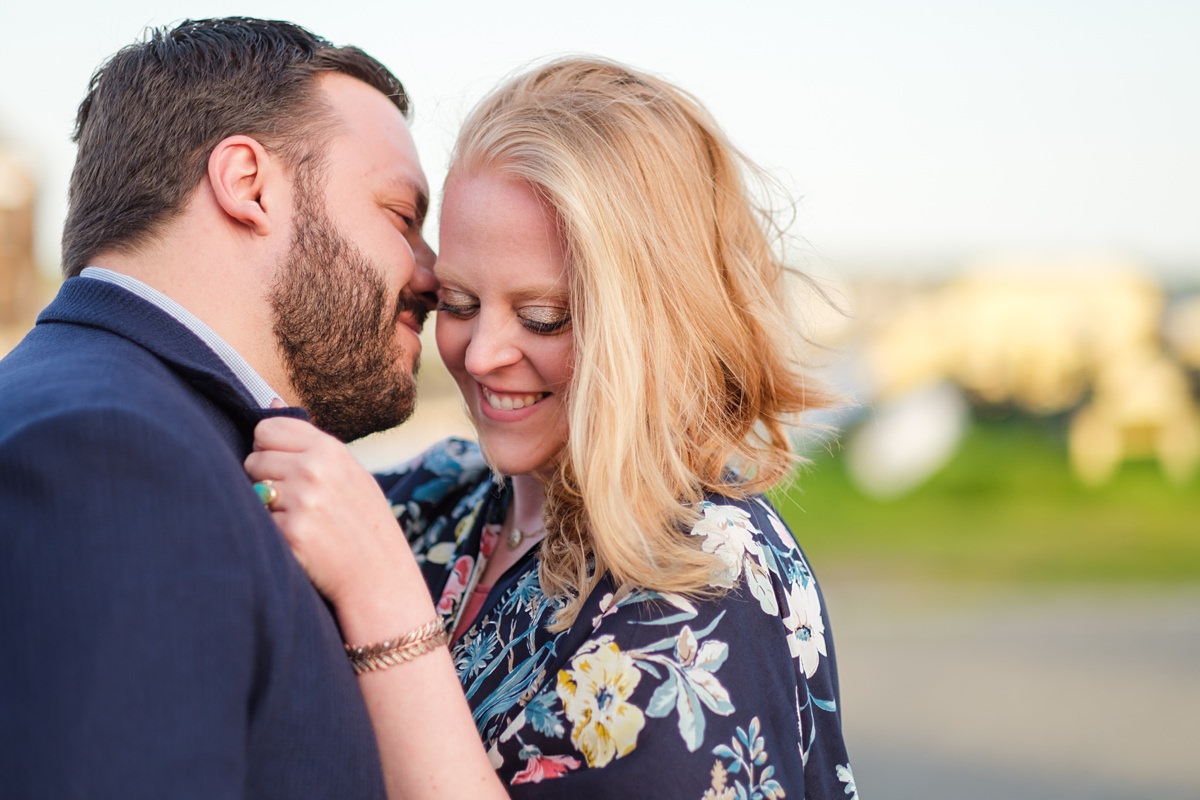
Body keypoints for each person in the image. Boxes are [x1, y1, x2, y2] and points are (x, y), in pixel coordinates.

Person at [246, 56, 857, 799]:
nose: (482, 353)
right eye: (460, 303)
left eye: (543, 317)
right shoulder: (443, 497)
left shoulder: (708, 584)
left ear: (653, 325)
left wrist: (384, 608)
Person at [0, 17, 438, 796]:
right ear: (247, 183)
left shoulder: (145, 425)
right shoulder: (112, 454)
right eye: (403, 218)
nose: (434, 274)